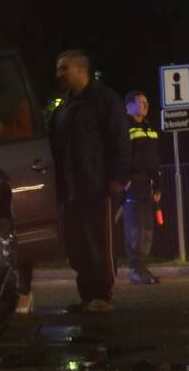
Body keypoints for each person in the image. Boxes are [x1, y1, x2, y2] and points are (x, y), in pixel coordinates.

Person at [49, 50, 131, 313]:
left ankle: (103, 295)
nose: (58, 74)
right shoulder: (64, 106)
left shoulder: (104, 100)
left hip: (96, 186)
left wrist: (117, 177)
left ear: (80, 70)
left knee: (98, 243)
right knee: (78, 245)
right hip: (70, 188)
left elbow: (120, 139)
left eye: (64, 68)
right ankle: (87, 295)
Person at [122, 91, 162, 285]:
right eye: (141, 102)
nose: (146, 105)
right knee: (135, 227)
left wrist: (158, 184)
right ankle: (135, 268)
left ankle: (142, 266)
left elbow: (154, 158)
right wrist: (124, 177)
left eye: (147, 102)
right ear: (128, 106)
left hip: (147, 182)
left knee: (147, 227)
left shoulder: (149, 126)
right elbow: (119, 154)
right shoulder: (124, 127)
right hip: (133, 182)